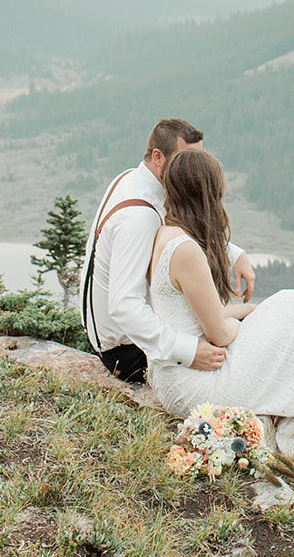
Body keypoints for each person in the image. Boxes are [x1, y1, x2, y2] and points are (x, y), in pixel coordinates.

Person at [147, 147, 294, 469]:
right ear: (207, 195)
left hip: (173, 373)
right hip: (194, 383)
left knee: (272, 313)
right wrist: (240, 322)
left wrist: (240, 314)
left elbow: (189, 319)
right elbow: (219, 334)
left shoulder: (165, 234)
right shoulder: (187, 251)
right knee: (291, 303)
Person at [81, 118, 256, 383]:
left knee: (251, 315)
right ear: (158, 157)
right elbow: (124, 305)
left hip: (124, 340)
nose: (194, 167)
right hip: (126, 353)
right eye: (186, 158)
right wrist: (187, 351)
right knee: (247, 333)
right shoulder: (139, 216)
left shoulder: (133, 179)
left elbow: (178, 231)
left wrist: (234, 253)